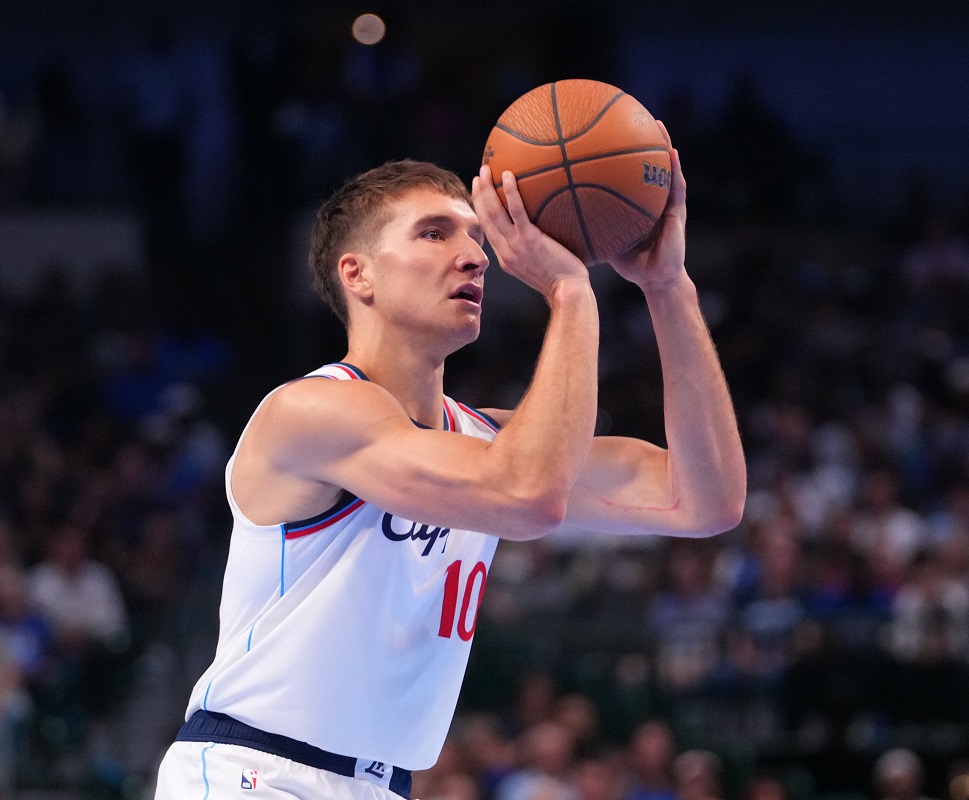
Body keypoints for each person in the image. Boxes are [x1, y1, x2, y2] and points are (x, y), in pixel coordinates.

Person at [153, 126, 745, 799]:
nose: (475, 256)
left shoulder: (487, 443)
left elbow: (705, 500)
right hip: (256, 775)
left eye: (476, 236)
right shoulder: (310, 414)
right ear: (359, 273)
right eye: (435, 233)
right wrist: (572, 294)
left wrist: (670, 290)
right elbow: (529, 495)